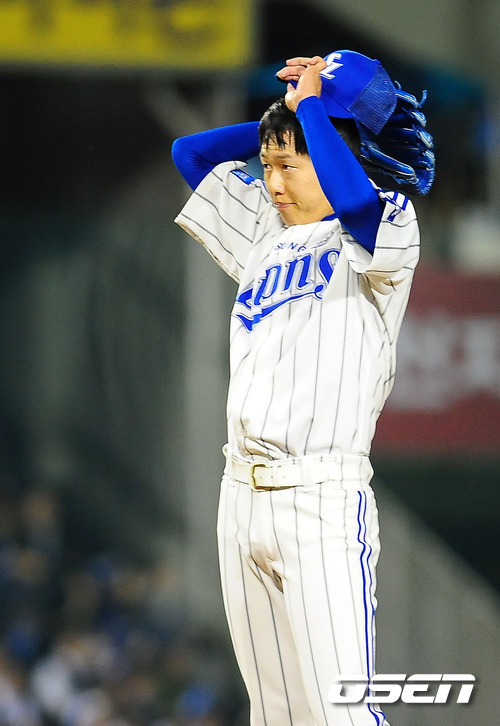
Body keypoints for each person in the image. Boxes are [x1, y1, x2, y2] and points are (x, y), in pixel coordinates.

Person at [172, 50, 429, 726]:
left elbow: (355, 200)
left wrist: (313, 111)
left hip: (319, 501)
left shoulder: (386, 224)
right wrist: (283, 120)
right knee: (277, 715)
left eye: (290, 164)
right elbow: (189, 153)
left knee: (343, 713)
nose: (273, 181)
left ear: (344, 149)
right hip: (240, 495)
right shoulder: (267, 230)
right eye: (268, 166)